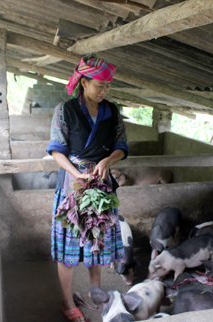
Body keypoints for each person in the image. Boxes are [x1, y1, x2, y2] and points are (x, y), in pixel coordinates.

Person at [46, 54, 128, 322]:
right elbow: (56, 150)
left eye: (107, 87)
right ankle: (67, 302)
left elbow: (121, 147)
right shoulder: (65, 110)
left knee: (97, 241)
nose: (104, 91)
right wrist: (75, 173)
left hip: (101, 187)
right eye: (99, 86)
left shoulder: (112, 111)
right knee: (68, 247)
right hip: (73, 185)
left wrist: (107, 160)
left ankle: (95, 291)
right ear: (83, 83)